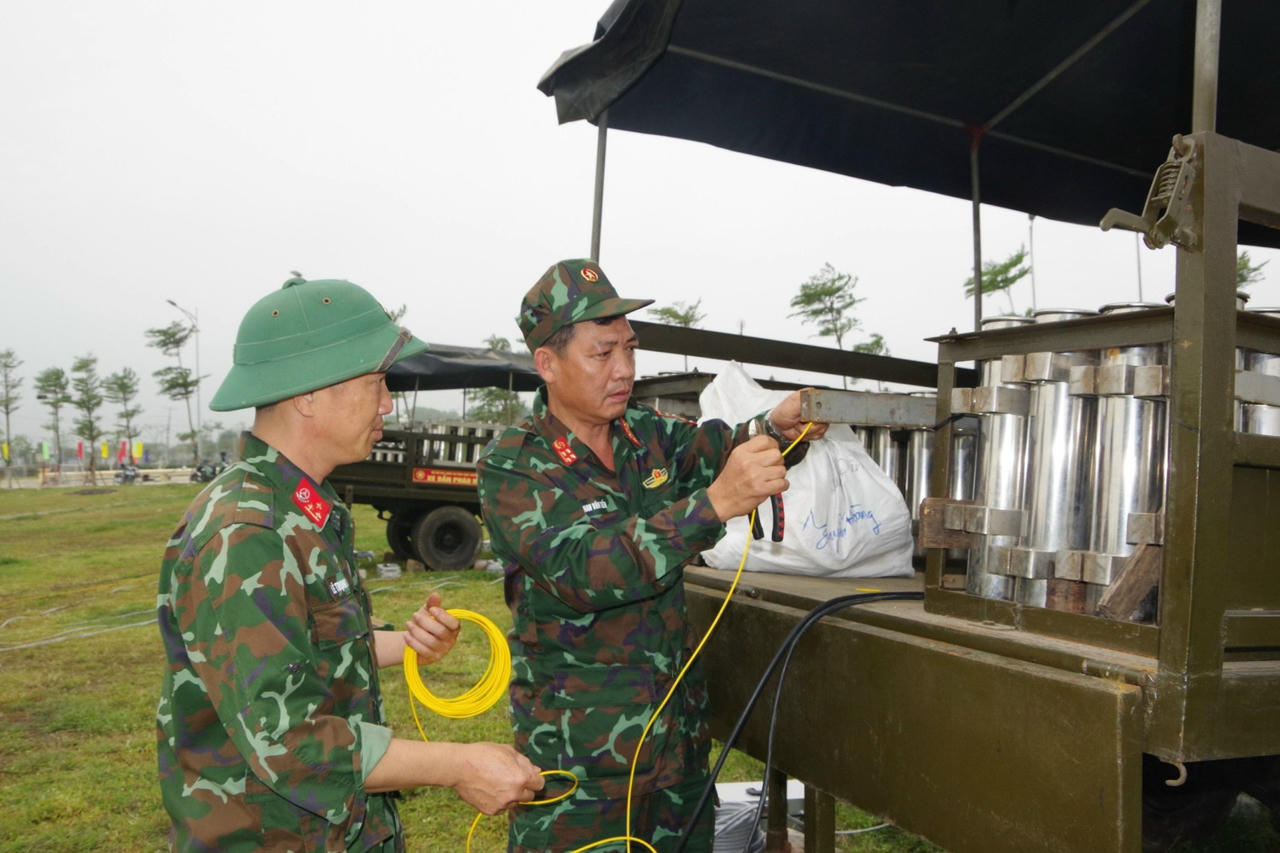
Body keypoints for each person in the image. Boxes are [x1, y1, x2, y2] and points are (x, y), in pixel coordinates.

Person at [156, 275, 544, 852]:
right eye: (377, 383)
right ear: (308, 394)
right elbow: (289, 741)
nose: (389, 403)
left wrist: (404, 645)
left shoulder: (302, 507)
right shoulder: (245, 534)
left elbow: (305, 649)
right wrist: (459, 764)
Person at [477, 259, 828, 853]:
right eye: (602, 353)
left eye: (630, 350)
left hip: (677, 755)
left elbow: (719, 447)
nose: (624, 370)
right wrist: (711, 507)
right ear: (548, 364)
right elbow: (584, 571)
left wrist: (774, 423)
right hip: (583, 770)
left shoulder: (647, 435)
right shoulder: (514, 465)